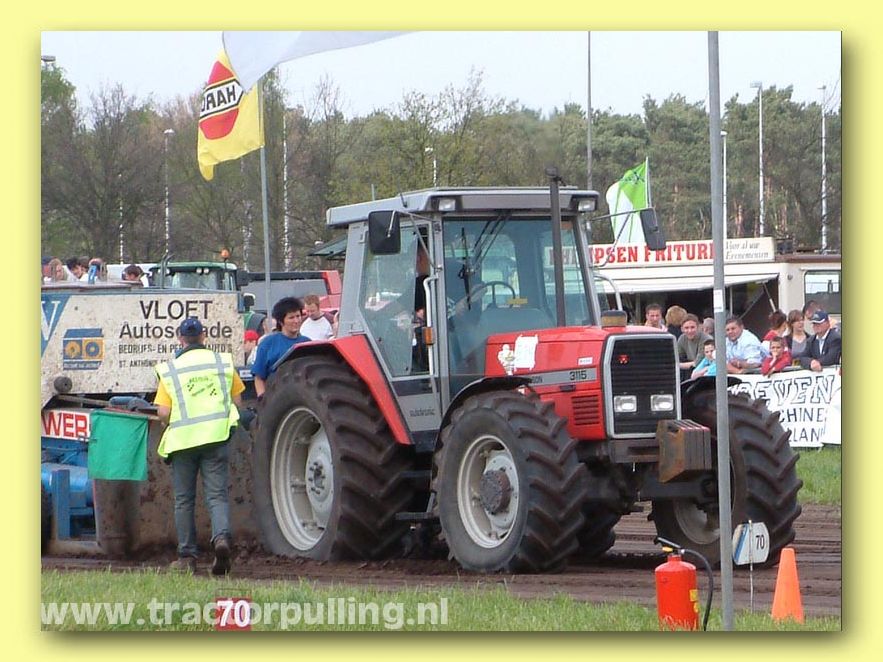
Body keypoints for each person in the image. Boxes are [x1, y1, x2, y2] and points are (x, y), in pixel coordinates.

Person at [154, 317, 244, 575]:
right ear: (204, 336)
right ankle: (221, 538)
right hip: (216, 438)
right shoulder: (222, 363)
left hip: (183, 443)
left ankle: (187, 556)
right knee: (217, 496)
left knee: (184, 500)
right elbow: (237, 402)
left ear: (180, 338)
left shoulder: (171, 370)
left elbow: (163, 412)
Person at [251, 297, 311, 397]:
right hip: (275, 397)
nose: (296, 321)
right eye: (291, 318)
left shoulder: (307, 343)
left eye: (298, 316)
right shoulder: (268, 344)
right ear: (281, 321)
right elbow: (259, 378)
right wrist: (262, 400)